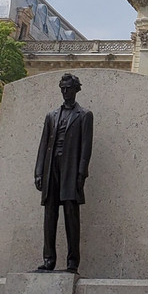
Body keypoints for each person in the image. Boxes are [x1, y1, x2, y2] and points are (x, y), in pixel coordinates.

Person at [33, 73, 94, 273]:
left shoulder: (84, 115)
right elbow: (43, 145)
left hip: (71, 170)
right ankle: (49, 260)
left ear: (76, 89)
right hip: (52, 168)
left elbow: (86, 148)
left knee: (71, 216)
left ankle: (72, 262)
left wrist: (81, 174)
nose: (65, 91)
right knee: (49, 215)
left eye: (68, 88)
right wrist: (39, 171)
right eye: (62, 88)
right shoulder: (51, 115)